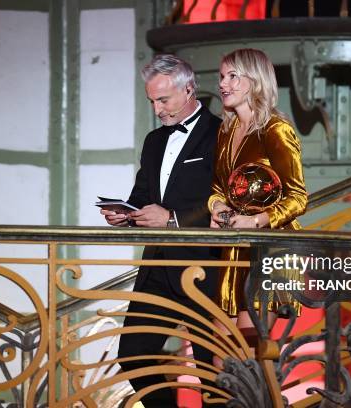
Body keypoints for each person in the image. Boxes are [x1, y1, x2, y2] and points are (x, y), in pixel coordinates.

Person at [101, 54, 221, 407]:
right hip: (158, 267)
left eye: (163, 100)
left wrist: (173, 219)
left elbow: (225, 201)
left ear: (188, 89)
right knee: (134, 356)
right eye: (152, 101)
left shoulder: (222, 134)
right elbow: (142, 197)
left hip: (206, 268)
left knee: (211, 369)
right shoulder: (154, 140)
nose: (157, 109)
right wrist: (126, 213)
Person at [208, 48, 307, 325]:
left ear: (255, 80)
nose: (223, 84)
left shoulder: (276, 129)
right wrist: (217, 208)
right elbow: (218, 188)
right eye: (222, 76)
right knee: (224, 356)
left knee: (247, 355)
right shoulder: (225, 131)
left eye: (232, 76)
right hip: (235, 249)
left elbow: (298, 198)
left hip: (270, 248)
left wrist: (256, 221)